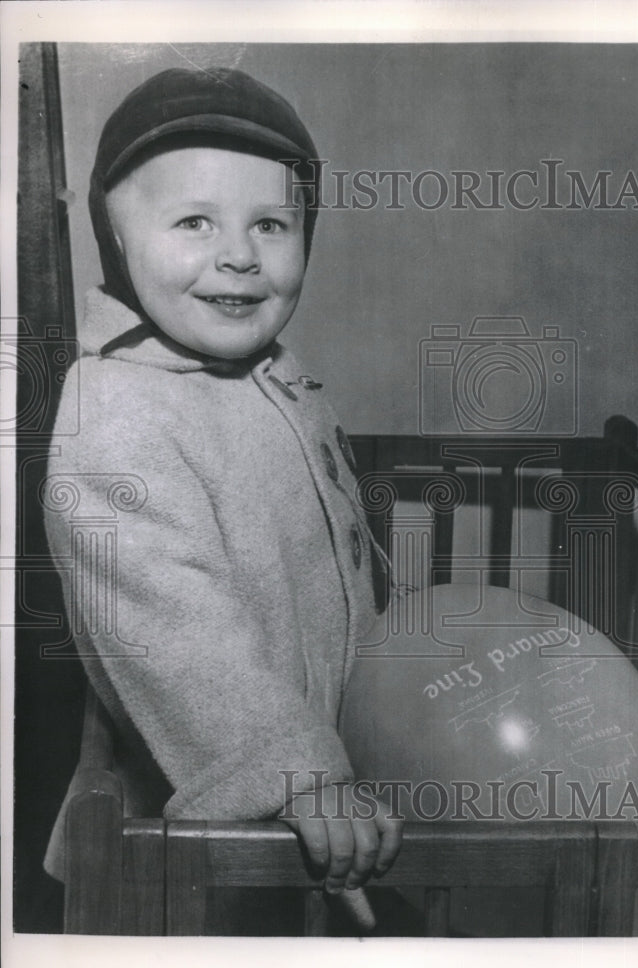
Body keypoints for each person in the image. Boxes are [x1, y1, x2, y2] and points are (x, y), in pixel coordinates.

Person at [42, 66, 403, 919]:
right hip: (191, 843)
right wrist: (296, 773)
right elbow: (168, 631)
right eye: (194, 221)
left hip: (317, 808)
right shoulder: (113, 411)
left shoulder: (280, 380)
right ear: (118, 241)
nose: (239, 254)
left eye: (271, 224)